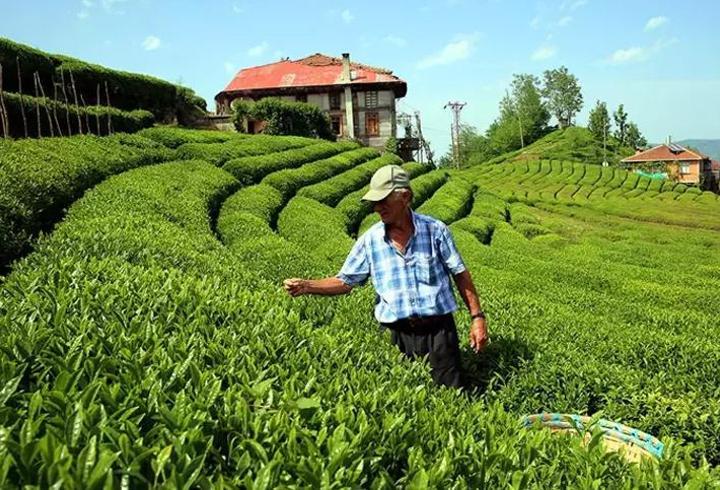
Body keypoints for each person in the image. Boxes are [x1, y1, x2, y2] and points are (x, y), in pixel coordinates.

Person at [283, 164, 488, 387]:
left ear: (405, 197)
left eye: (383, 201)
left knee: (451, 395)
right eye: (374, 203)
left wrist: (477, 318)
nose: (377, 208)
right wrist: (307, 286)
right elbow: (345, 281)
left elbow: (459, 273)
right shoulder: (370, 240)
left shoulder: (435, 231)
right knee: (404, 399)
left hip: (439, 332)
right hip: (396, 335)